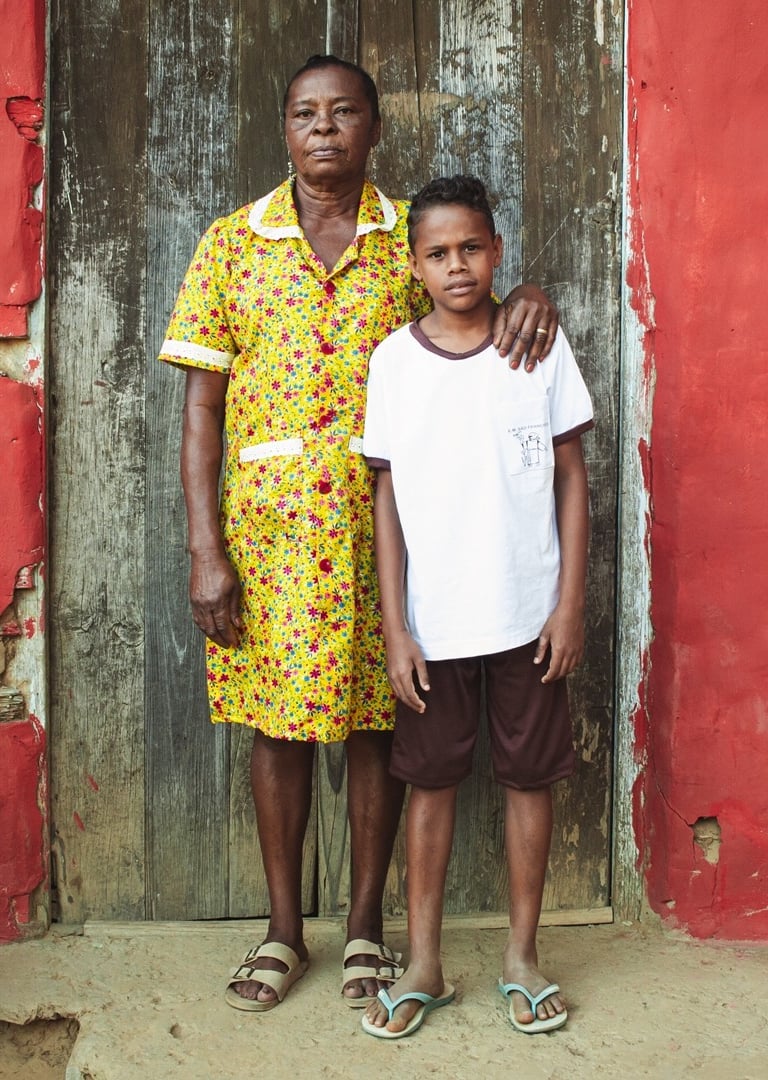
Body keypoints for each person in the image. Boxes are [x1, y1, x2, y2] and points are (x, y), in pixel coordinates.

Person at [159, 56, 559, 1013]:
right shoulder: (233, 244)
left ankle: (368, 930)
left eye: (344, 113)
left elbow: (472, 309)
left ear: (375, 129)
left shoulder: (407, 239)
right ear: (284, 130)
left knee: (382, 722)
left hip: (394, 532)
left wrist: (532, 295)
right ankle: (282, 931)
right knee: (278, 727)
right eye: (306, 113)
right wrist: (206, 549)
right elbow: (202, 408)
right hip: (273, 538)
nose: (325, 129)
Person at [361, 175, 593, 1039]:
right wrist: (396, 627)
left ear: (497, 250)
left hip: (529, 615)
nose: (456, 266)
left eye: (470, 248)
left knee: (530, 779)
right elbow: (386, 499)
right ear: (414, 265)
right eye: (437, 253)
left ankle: (522, 958)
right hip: (435, 623)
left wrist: (568, 603)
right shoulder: (394, 362)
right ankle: (424, 964)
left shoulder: (536, 348)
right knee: (429, 784)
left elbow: (571, 477)